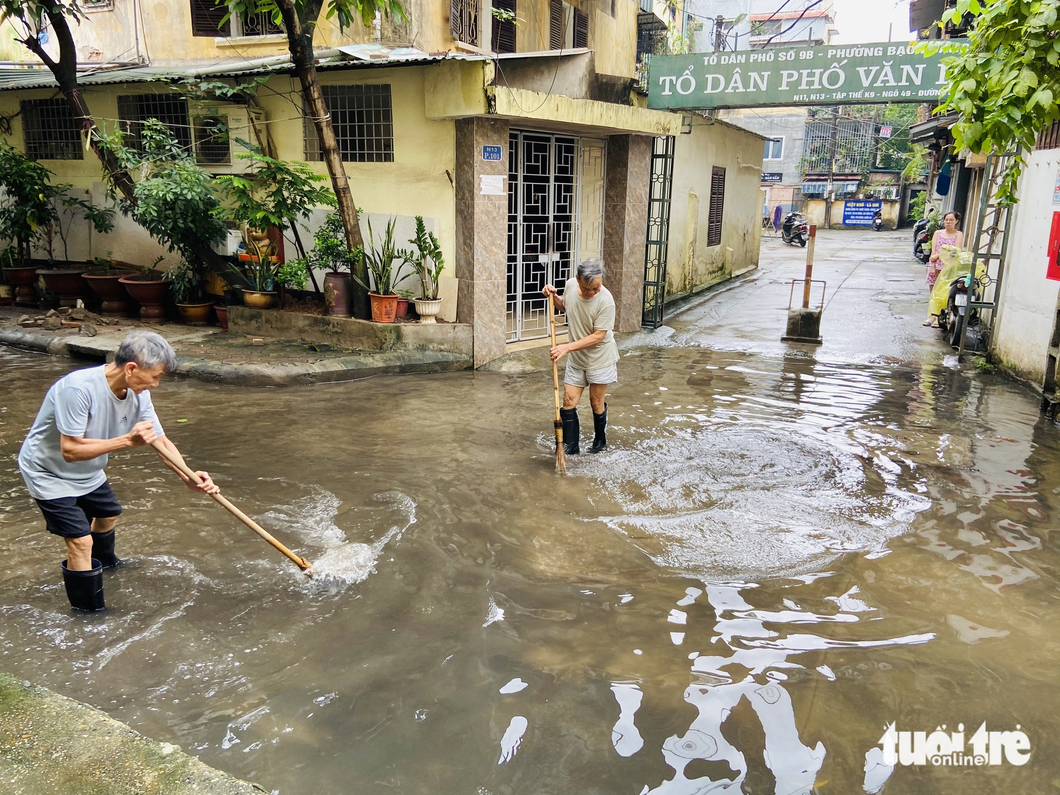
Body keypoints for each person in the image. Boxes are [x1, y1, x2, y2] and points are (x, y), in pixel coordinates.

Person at [17, 331, 219, 612]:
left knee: (108, 513)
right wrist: (126, 440)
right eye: (155, 376)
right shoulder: (77, 389)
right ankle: (89, 614)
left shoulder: (138, 393)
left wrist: (190, 478)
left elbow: (159, 440)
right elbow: (70, 450)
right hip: (49, 472)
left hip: (89, 471)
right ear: (132, 368)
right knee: (80, 541)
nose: (156, 385)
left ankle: (107, 566)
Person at [542, 258, 620, 455]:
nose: (593, 292)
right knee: (568, 401)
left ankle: (599, 441)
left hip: (600, 358)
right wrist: (552, 297)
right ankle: (569, 447)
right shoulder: (569, 285)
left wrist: (567, 347)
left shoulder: (606, 300)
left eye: (597, 287)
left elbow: (598, 336)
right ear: (578, 280)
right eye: (588, 289)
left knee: (596, 402)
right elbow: (565, 307)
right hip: (577, 359)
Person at [924, 211, 964, 327]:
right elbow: (933, 251)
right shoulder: (938, 233)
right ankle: (932, 316)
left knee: (944, 293)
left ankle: (939, 318)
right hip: (935, 265)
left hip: (949, 268)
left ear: (956, 221)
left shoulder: (958, 234)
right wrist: (932, 264)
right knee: (933, 293)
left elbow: (955, 251)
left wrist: (938, 256)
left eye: (951, 220)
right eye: (946, 219)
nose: (948, 222)